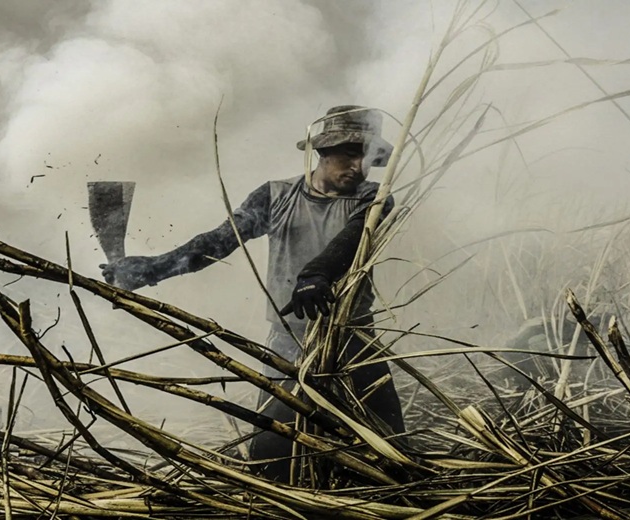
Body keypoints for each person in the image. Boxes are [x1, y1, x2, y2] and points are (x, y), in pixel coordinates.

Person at [100, 105, 405, 482]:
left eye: (369, 158)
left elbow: (353, 238)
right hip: (290, 340)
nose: (359, 167)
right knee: (272, 457)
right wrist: (151, 268)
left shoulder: (375, 199)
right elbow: (218, 241)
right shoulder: (275, 196)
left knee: (391, 448)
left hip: (353, 338)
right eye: (350, 154)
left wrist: (315, 274)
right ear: (323, 152)